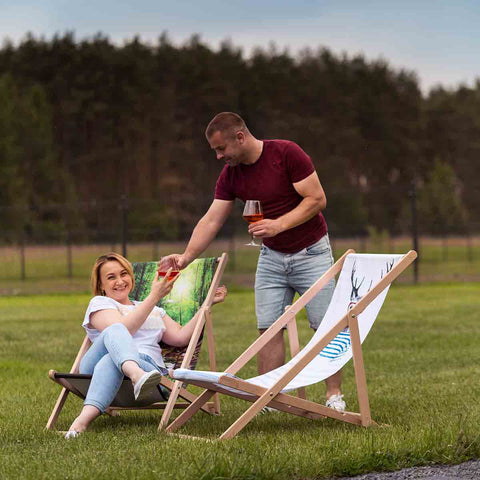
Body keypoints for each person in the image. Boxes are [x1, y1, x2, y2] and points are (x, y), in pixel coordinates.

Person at [158, 112, 345, 412]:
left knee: (325, 326)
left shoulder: (286, 153)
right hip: (271, 257)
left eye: (221, 149)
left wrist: (277, 226)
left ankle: (333, 396)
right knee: (267, 328)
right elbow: (210, 220)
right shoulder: (231, 175)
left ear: (240, 137)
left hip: (312, 253)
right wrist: (186, 257)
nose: (219, 156)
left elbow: (317, 199)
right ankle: (270, 397)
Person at [65, 252, 227, 438]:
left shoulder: (157, 311)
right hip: (94, 369)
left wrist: (207, 305)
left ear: (131, 277)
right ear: (101, 285)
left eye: (124, 274)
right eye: (111, 277)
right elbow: (124, 330)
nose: (120, 281)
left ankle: (81, 422)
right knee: (115, 330)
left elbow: (181, 338)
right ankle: (135, 374)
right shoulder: (100, 303)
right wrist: (154, 296)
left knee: (112, 360)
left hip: (148, 367)